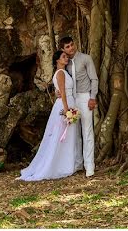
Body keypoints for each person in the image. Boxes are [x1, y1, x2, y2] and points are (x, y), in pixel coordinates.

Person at [17, 50, 83, 181]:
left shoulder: (61, 73)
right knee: (63, 135)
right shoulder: (60, 73)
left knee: (68, 135)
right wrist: (66, 110)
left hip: (67, 102)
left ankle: (69, 162)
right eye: (63, 57)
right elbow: (63, 92)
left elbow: (59, 91)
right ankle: (62, 164)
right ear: (57, 60)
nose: (66, 58)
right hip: (65, 104)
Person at [59, 36, 98, 178]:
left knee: (87, 131)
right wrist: (59, 91)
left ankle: (89, 166)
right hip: (71, 99)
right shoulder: (65, 63)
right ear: (63, 50)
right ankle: (76, 163)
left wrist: (92, 97)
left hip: (84, 97)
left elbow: (94, 78)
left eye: (72, 45)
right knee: (74, 133)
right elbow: (61, 80)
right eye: (67, 47)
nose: (71, 48)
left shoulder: (86, 58)